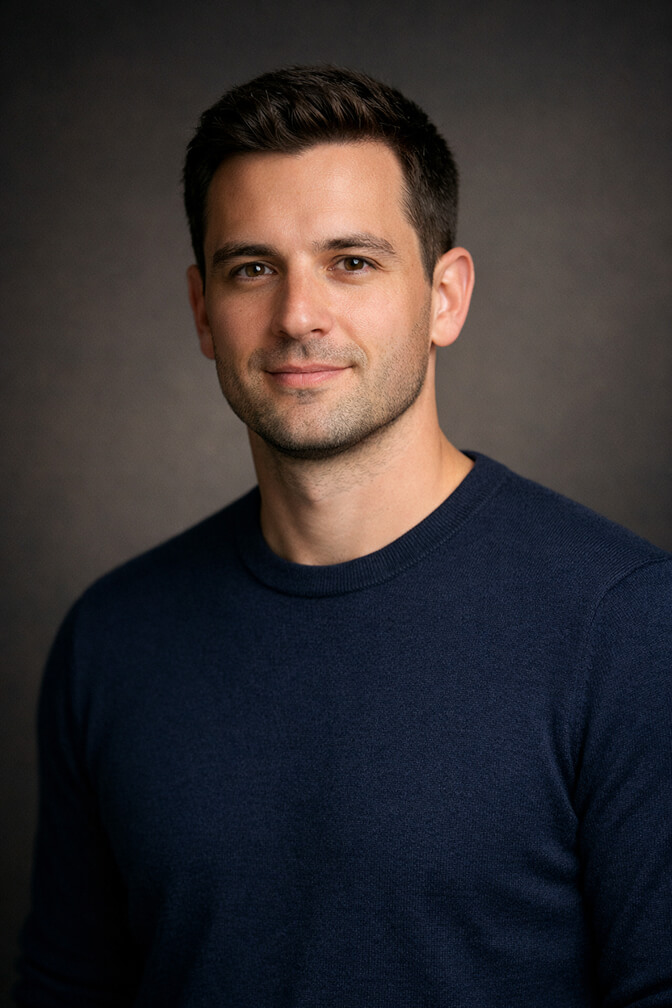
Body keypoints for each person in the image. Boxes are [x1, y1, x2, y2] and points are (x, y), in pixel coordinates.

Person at [16, 65, 672, 1007]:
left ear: (445, 296)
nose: (297, 316)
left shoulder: (628, 627)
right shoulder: (111, 639)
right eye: (253, 268)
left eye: (352, 261)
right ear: (203, 310)